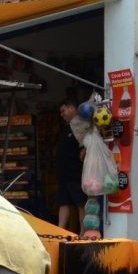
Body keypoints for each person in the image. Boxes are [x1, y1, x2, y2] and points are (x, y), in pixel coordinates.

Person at [54, 98, 86, 232]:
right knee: (63, 202)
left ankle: (83, 233)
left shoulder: (81, 126)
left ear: (72, 108)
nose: (62, 114)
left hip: (75, 173)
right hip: (63, 174)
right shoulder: (66, 127)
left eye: (63, 111)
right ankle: (60, 231)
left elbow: (87, 144)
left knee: (81, 204)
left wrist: (84, 150)